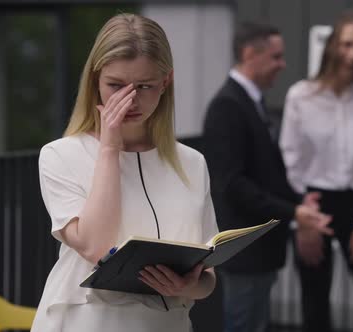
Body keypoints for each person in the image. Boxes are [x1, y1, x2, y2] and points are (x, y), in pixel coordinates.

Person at [31, 14, 219, 332]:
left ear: (166, 82)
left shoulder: (192, 163)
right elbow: (96, 246)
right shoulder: (60, 156)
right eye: (116, 85)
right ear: (95, 80)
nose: (130, 99)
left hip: (168, 323)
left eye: (144, 86)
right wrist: (108, 149)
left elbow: (207, 276)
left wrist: (186, 287)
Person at [202, 22, 333, 332]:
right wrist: (294, 212)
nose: (282, 65)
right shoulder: (228, 106)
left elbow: (265, 173)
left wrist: (299, 201)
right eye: (276, 57)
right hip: (245, 253)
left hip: (259, 252)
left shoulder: (250, 102)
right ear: (250, 54)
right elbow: (233, 184)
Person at [279, 11, 353, 332]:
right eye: (347, 45)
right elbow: (290, 160)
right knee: (314, 307)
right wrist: (303, 218)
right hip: (313, 202)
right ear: (332, 46)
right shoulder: (301, 96)